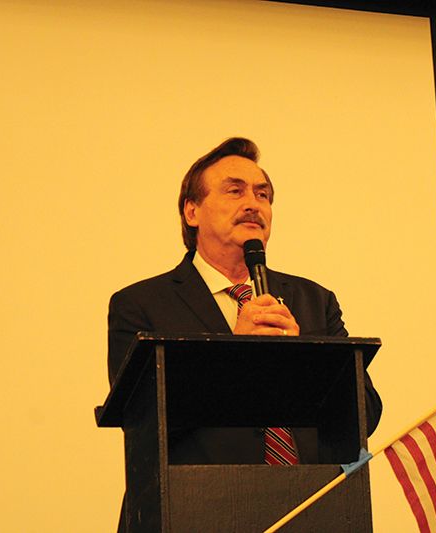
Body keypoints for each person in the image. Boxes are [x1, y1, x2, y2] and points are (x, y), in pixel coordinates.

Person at [107, 137, 382, 466]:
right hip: (195, 507)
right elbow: (142, 420)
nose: (253, 203)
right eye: (235, 191)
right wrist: (235, 352)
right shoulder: (140, 304)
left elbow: (365, 414)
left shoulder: (314, 300)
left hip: (309, 504)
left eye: (262, 194)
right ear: (192, 211)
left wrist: (302, 362)